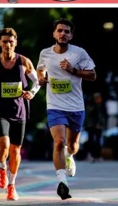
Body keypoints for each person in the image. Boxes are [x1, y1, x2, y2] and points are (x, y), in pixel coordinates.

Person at [37, 19, 96, 200]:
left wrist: (74, 70)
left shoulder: (79, 53)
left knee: (72, 146)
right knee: (59, 142)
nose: (63, 34)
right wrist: (41, 77)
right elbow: (40, 69)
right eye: (60, 31)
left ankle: (69, 156)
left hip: (76, 107)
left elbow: (93, 75)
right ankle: (62, 182)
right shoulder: (45, 53)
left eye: (67, 31)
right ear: (54, 34)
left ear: (71, 35)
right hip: (55, 106)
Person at [0, 28, 40, 201]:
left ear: (16, 42)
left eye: (11, 41)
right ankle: (1, 166)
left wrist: (32, 92)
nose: (7, 44)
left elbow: (36, 82)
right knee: (3, 145)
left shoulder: (24, 62)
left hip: (19, 110)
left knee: (15, 150)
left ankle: (12, 186)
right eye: (4, 41)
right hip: (0, 109)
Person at [84, 93, 106, 163]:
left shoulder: (101, 106)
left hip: (98, 126)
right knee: (91, 140)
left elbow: (102, 117)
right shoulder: (91, 107)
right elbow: (89, 117)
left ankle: (97, 155)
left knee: (98, 141)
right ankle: (90, 154)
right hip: (92, 126)